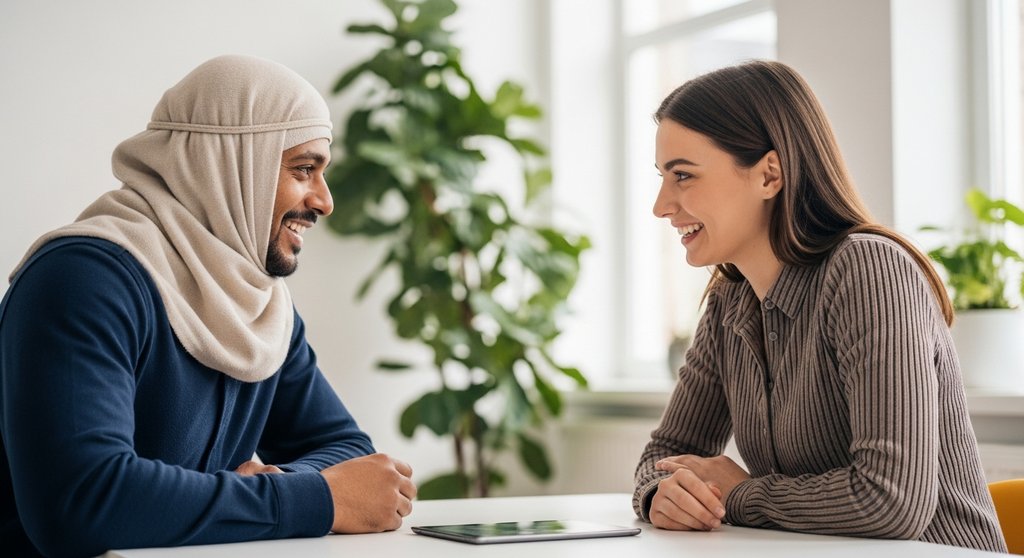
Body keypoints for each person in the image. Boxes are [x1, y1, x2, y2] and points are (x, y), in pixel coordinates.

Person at [0, 55, 416, 557]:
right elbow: (84, 502)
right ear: (229, 163)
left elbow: (348, 454)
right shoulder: (82, 280)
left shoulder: (258, 306)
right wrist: (313, 498)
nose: (324, 202)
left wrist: (286, 486)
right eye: (304, 169)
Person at [633, 60, 1007, 553]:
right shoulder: (729, 300)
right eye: (663, 177)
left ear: (769, 174)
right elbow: (665, 455)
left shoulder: (869, 270)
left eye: (683, 175)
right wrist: (663, 494)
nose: (661, 205)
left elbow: (891, 500)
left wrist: (739, 495)